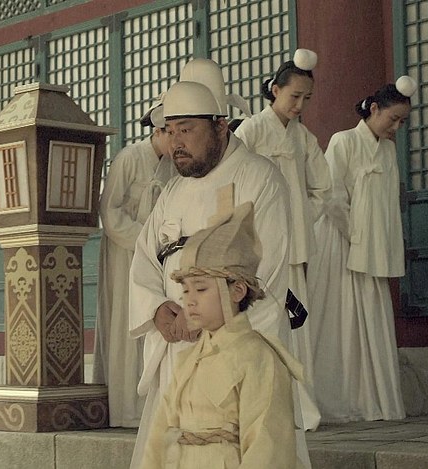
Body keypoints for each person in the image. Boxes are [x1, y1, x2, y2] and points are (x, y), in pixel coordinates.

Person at [128, 79, 312, 467]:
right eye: (170, 131)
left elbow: (266, 271)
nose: (176, 142)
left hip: (236, 355)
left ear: (220, 126)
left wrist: (204, 319)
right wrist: (157, 309)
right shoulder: (173, 192)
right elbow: (144, 259)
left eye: (186, 130)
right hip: (176, 348)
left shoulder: (259, 177)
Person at [140, 198, 304, 469]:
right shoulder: (188, 360)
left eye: (201, 289)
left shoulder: (259, 358)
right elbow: (158, 438)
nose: (190, 300)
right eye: (186, 290)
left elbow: (267, 446)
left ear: (237, 291)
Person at [307, 76, 418, 422]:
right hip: (340, 241)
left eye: (402, 122)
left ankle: (375, 399)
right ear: (374, 109)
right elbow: (331, 195)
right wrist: (356, 235)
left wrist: (376, 243)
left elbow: (386, 205)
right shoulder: (344, 141)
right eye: (393, 119)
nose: (396, 128)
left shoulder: (387, 150)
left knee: (371, 313)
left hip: (371, 247)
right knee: (338, 317)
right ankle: (335, 398)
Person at [234, 49, 331, 392]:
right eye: (294, 96)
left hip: (293, 245)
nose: (300, 105)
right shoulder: (250, 130)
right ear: (275, 90)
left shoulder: (303, 138)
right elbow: (233, 180)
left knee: (294, 319)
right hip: (258, 244)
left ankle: (299, 397)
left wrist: (299, 219)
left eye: (307, 98)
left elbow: (322, 188)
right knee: (261, 315)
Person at [93, 105, 175, 427]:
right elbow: (109, 209)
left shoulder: (172, 166)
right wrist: (142, 237)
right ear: (157, 132)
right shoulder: (129, 158)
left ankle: (149, 403)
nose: (177, 142)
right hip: (125, 251)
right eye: (171, 134)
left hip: (157, 253)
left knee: (153, 315)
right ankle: (125, 406)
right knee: (127, 319)